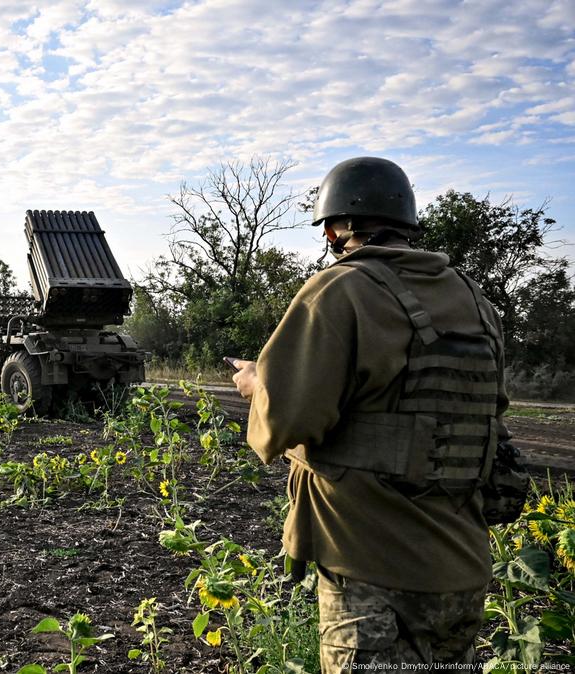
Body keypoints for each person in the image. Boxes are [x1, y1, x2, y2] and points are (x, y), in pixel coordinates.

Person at [231, 157, 508, 671]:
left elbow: (282, 425)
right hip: (462, 571)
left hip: (370, 568)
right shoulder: (475, 301)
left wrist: (256, 384)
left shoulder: (339, 290)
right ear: (406, 222)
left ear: (336, 227)